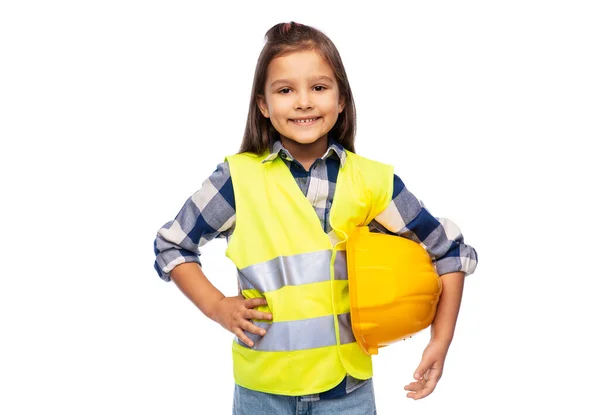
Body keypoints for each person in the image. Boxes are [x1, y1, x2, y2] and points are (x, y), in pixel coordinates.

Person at [153, 21, 478, 415]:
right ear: (263, 104)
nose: (303, 101)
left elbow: (450, 252)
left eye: (319, 87)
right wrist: (217, 306)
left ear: (342, 99)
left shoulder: (373, 181)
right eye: (286, 90)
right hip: (262, 391)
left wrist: (440, 341)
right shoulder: (237, 180)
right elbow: (173, 244)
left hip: (347, 392)